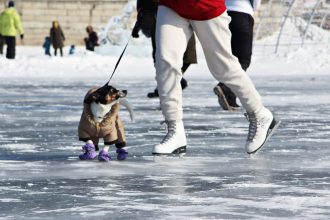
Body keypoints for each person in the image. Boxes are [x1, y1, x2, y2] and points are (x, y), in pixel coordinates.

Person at [152, 0, 278, 155]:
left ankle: (259, 113)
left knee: (223, 67)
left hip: (206, 5)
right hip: (171, 5)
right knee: (165, 62)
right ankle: (175, 129)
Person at [131, 0, 197, 98]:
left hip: (184, 16)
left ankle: (173, 81)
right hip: (160, 19)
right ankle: (165, 88)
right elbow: (144, 6)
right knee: (161, 56)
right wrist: (139, 23)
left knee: (188, 55)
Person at [214, 0, 261, 111]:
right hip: (242, 13)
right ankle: (225, 87)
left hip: (222, 15)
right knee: (243, 59)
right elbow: (256, 3)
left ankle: (230, 98)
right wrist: (254, 9)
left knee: (230, 58)